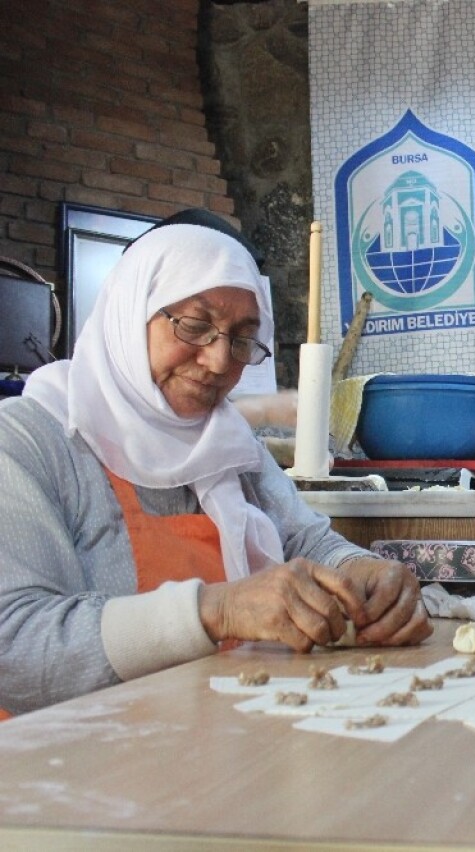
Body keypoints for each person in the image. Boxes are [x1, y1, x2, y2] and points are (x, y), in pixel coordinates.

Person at [0, 218, 433, 716]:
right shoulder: (30, 440)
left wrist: (361, 571)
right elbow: (14, 647)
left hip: (213, 741)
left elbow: (305, 541)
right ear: (129, 311)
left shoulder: (225, 441)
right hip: (67, 765)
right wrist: (217, 610)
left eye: (242, 337)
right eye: (194, 325)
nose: (219, 360)